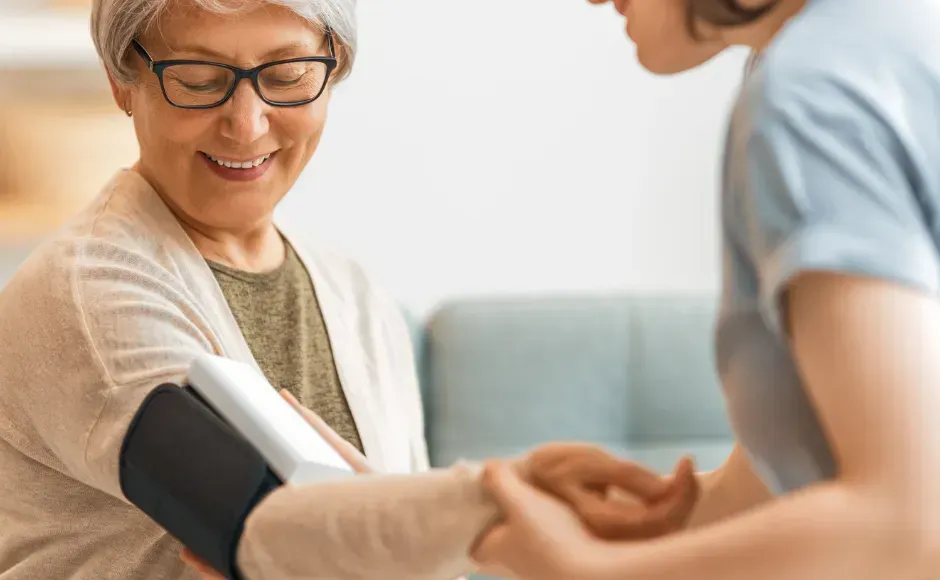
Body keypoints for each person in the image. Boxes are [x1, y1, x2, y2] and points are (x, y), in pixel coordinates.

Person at [0, 1, 699, 579]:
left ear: (333, 70)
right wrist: (500, 497)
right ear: (122, 82)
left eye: (287, 72)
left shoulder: (355, 296)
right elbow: (250, 527)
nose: (246, 121)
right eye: (198, 76)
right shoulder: (85, 295)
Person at [470, 0, 940, 578]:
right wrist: (658, 519)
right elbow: (788, 484)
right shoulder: (890, 37)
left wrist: (586, 570)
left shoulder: (809, 95)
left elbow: (905, 520)